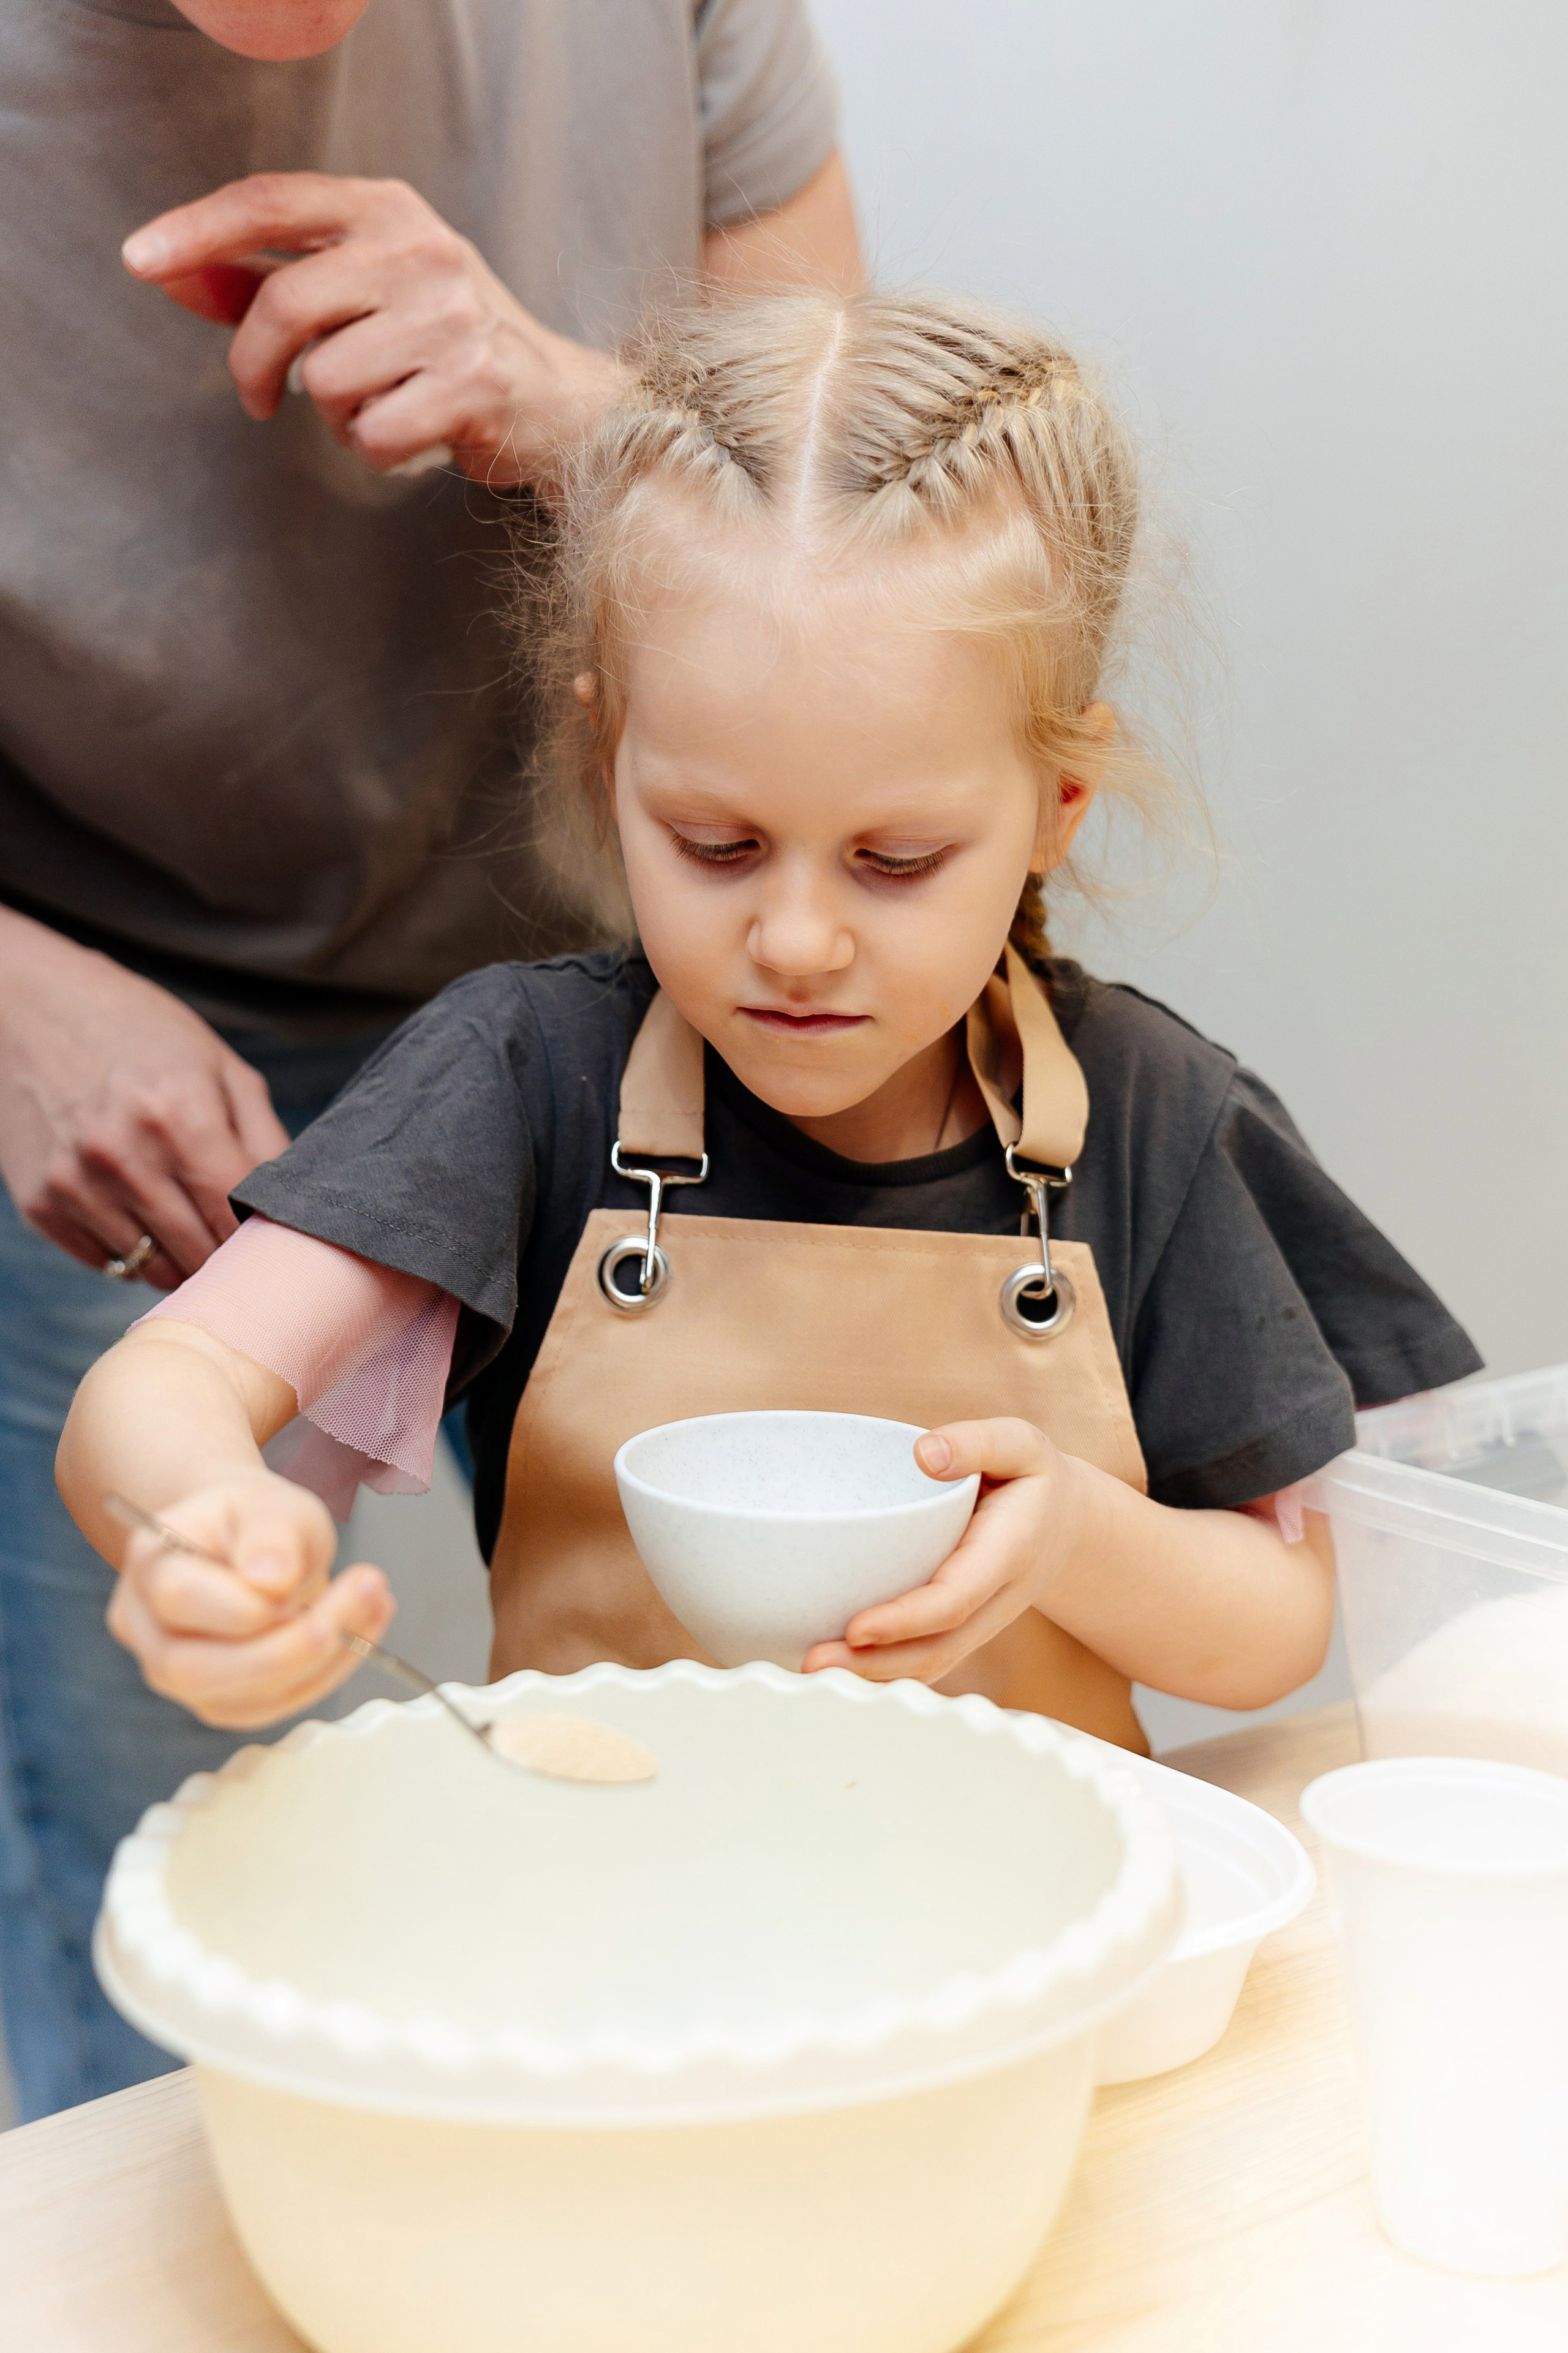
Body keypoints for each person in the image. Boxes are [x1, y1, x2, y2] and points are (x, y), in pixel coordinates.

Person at [62, 288, 1478, 1797]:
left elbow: (1275, 1626)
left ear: (1053, 809)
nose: (796, 940)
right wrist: (204, 1518)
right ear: (612, 760)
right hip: (613, 1955)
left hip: (1011, 1943)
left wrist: (1072, 1531)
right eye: (718, 843)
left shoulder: (1148, 1119)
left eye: (894, 860)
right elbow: (153, 1393)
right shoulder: (524, 1078)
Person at [0, 0, 859, 2120]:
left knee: (746, 1836)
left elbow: (857, 516)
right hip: (114, 1024)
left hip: (621, 1013)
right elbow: (167, 1415)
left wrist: (588, 411)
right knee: (191, 1911)